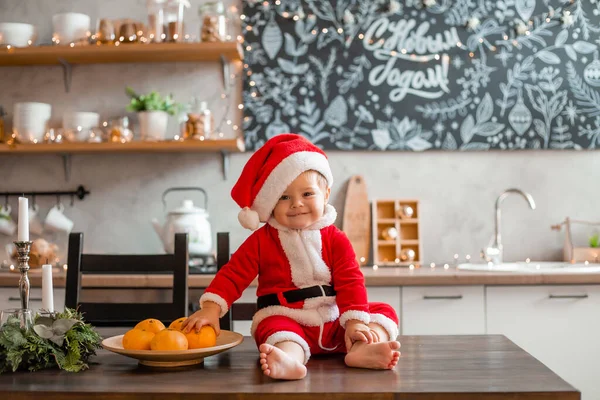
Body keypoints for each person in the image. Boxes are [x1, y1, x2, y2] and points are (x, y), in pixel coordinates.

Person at [183, 133, 400, 380]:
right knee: (273, 329)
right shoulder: (262, 240)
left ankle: (362, 348)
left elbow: (351, 282)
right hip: (287, 316)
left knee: (382, 311)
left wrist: (354, 322)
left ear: (326, 194)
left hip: (334, 321)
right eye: (284, 197)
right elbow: (233, 274)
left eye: (307, 194)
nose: (296, 204)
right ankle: (289, 359)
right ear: (271, 203)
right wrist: (212, 308)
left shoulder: (335, 238)